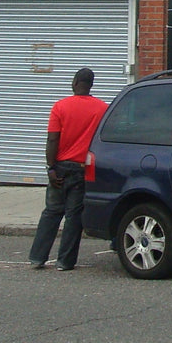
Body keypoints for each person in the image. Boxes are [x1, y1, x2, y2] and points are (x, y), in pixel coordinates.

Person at [28, 67, 107, 270]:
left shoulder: (60, 106)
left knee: (52, 212)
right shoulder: (102, 109)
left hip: (61, 168)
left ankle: (38, 257)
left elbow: (52, 139)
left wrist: (51, 167)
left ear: (74, 82)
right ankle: (65, 261)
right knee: (74, 216)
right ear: (91, 85)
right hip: (82, 169)